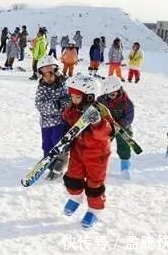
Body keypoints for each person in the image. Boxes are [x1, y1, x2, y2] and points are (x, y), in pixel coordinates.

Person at [62, 74, 113, 228]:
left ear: (89, 97)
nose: (73, 99)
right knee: (73, 177)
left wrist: (97, 122)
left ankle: (94, 210)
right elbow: (66, 119)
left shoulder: (101, 112)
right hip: (78, 151)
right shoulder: (74, 108)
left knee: (94, 185)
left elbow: (108, 133)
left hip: (97, 156)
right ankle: (76, 198)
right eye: (72, 96)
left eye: (76, 97)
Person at [98, 77, 135, 179]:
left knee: (124, 145)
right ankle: (99, 165)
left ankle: (125, 167)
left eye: (113, 94)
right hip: (107, 126)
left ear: (119, 91)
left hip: (122, 127)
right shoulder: (101, 100)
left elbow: (129, 118)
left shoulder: (127, 103)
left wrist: (119, 125)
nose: (111, 97)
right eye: (108, 95)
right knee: (101, 144)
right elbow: (96, 111)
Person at [34, 55, 69, 161]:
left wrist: (63, 104)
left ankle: (60, 162)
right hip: (46, 122)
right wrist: (56, 105)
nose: (48, 78)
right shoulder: (41, 87)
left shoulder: (63, 86)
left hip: (60, 121)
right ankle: (47, 162)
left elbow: (69, 100)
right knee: (46, 143)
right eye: (45, 76)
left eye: (51, 75)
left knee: (57, 140)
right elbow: (39, 104)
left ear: (56, 73)